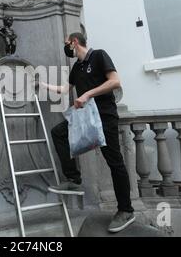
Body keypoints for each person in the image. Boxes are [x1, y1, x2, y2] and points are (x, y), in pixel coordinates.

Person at [41, 32, 135, 233]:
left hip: (104, 117)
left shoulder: (99, 55)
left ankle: (126, 210)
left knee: (114, 161)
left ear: (75, 42)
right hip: (85, 118)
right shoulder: (76, 67)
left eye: (67, 43)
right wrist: (41, 84)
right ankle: (74, 179)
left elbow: (115, 81)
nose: (66, 47)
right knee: (58, 133)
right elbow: (65, 89)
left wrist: (87, 94)